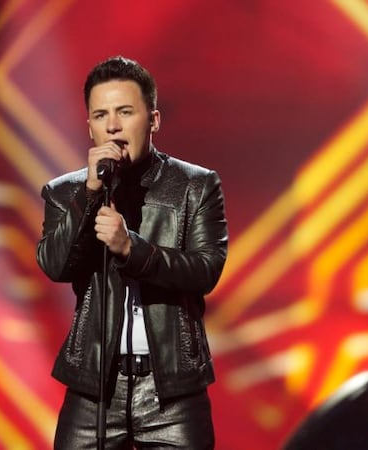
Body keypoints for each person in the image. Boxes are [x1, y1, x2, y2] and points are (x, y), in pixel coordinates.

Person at [36, 55, 228, 449]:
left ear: (153, 120)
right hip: (95, 392)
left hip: (172, 394)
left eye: (125, 112)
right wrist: (89, 196)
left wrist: (131, 250)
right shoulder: (65, 193)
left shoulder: (196, 186)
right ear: (89, 126)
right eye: (100, 115)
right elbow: (55, 265)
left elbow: (205, 270)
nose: (113, 126)